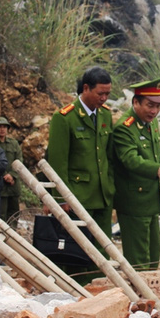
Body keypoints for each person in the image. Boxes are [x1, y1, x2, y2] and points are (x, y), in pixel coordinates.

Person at [47, 66, 115, 282]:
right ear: (86, 88)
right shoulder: (65, 118)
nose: (104, 99)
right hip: (77, 198)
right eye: (100, 94)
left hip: (102, 196)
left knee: (102, 252)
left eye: (107, 94)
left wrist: (111, 187)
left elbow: (107, 156)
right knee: (76, 253)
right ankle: (77, 295)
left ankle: (99, 291)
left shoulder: (105, 115)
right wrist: (61, 199)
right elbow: (57, 162)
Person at [113, 78, 160, 269]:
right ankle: (140, 298)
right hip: (134, 203)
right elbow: (131, 160)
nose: (154, 111)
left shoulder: (151, 124)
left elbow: (156, 153)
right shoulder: (124, 128)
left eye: (158, 107)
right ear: (135, 102)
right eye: (150, 105)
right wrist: (158, 170)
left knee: (152, 259)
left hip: (151, 202)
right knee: (138, 262)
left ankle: (150, 295)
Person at [0, 116, 23, 225]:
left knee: (14, 212)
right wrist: (5, 176)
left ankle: (13, 237)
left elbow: (19, 159)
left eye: (4, 127)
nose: (2, 129)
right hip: (1, 182)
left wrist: (12, 175)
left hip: (13, 184)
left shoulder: (13, 143)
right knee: (1, 213)